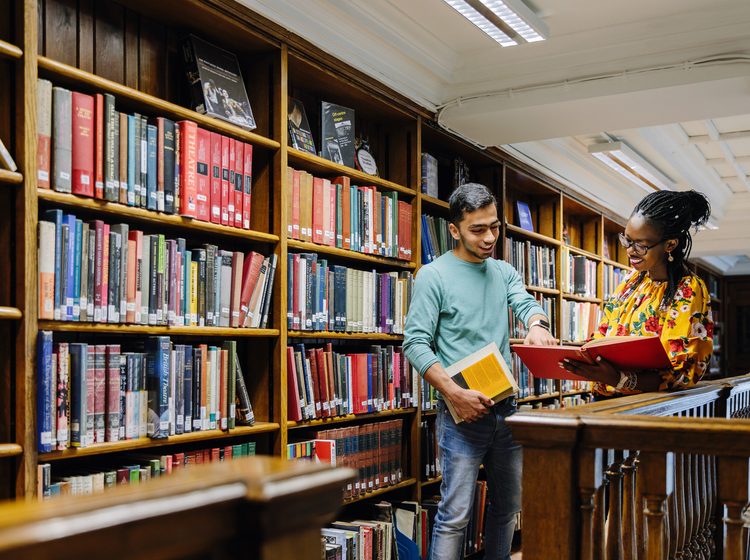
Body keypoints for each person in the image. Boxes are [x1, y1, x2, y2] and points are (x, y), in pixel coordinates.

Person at [403, 183, 556, 560]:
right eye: (477, 229)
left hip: (507, 410)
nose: (489, 237)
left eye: (494, 227)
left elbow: (525, 303)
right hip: (461, 415)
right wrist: (454, 393)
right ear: (454, 229)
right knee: (454, 515)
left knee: (507, 508)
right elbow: (415, 343)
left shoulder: (503, 271)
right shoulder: (433, 275)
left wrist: (537, 324)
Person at [560, 190, 714, 396]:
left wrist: (616, 378)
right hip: (606, 403)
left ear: (670, 244)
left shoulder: (688, 289)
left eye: (640, 245)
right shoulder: (630, 281)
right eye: (627, 241)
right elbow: (603, 333)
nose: (630, 251)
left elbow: (679, 373)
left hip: (649, 410)